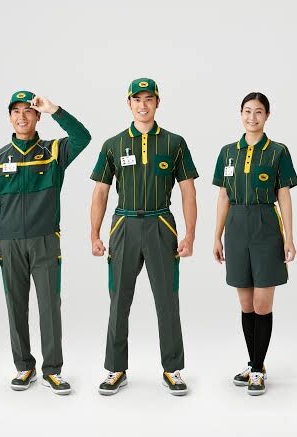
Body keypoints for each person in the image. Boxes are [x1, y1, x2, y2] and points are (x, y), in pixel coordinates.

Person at [89, 78, 198, 396]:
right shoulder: (113, 144)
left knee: (167, 299)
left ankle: (173, 369)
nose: (143, 105)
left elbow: (188, 191)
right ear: (129, 103)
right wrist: (94, 234)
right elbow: (100, 192)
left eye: (149, 99)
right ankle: (115, 369)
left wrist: (190, 235)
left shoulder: (175, 143)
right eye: (137, 99)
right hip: (124, 224)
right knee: (118, 299)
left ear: (157, 103)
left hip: (160, 223)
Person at [0, 90, 91, 395]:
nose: (22, 116)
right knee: (16, 305)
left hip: (45, 242)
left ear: (37, 116)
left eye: (28, 111)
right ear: (9, 117)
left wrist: (56, 110)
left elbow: (83, 137)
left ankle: (52, 370)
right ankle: (24, 366)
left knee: (49, 306)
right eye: (16, 111)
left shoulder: (53, 152)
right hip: (10, 244)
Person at [212, 92, 297, 396]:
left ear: (267, 116)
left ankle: (258, 369)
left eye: (258, 112)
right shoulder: (227, 152)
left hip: (266, 225)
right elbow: (223, 195)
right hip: (236, 227)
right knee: (246, 303)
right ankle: (253, 365)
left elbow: (284, 195)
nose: (252, 117)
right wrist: (217, 235)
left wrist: (289, 237)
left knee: (262, 303)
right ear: (240, 114)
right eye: (247, 111)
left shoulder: (277, 151)